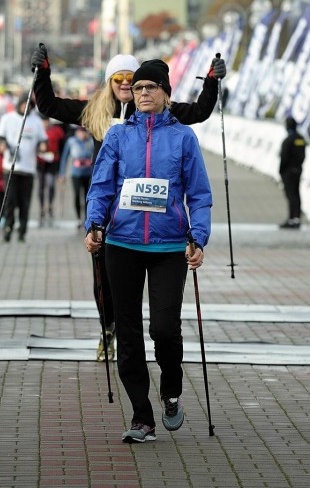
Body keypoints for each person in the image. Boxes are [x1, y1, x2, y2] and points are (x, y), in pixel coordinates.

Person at [34, 46, 225, 360]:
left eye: (131, 79)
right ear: (109, 82)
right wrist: (43, 72)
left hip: (154, 224)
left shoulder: (161, 110)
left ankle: (135, 339)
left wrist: (211, 79)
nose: (126, 85)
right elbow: (48, 104)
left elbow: (201, 111)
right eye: (119, 79)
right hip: (107, 214)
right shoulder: (94, 110)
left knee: (143, 297)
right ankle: (107, 328)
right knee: (104, 281)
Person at [83, 60, 213, 444]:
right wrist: (94, 225)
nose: (142, 93)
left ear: (165, 93)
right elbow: (101, 186)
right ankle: (142, 416)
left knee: (164, 329)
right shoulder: (118, 136)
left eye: (150, 87)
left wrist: (198, 237)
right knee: (128, 329)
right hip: (121, 244)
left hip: (169, 246)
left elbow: (200, 194)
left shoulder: (184, 138)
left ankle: (170, 391)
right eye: (137, 87)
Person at [0, 94, 47, 242]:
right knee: (10, 201)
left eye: (29, 105)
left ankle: (22, 231)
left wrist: (43, 146)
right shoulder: (7, 118)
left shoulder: (36, 121)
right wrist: (1, 146)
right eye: (23, 104)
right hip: (10, 168)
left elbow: (43, 140)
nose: (26, 107)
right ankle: (8, 228)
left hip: (28, 169)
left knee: (25, 202)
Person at [60, 126, 94, 229]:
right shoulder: (71, 141)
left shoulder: (90, 141)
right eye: (80, 132)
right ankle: (78, 218)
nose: (82, 135)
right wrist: (62, 173)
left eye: (84, 132)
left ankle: (86, 218)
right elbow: (64, 158)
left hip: (88, 172)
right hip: (75, 173)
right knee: (77, 195)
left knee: (87, 197)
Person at [278, 116, 306, 229]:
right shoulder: (300, 139)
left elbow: (283, 158)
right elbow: (303, 155)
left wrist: (281, 171)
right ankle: (296, 218)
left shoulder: (288, 140)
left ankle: (291, 219)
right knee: (297, 194)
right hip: (298, 170)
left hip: (288, 172)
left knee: (291, 195)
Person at [37, 117, 65, 227]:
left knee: (51, 184)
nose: (44, 124)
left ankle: (50, 206)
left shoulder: (57, 130)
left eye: (46, 121)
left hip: (52, 161)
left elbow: (61, 145)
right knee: (41, 186)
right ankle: (42, 207)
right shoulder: (39, 130)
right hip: (40, 162)